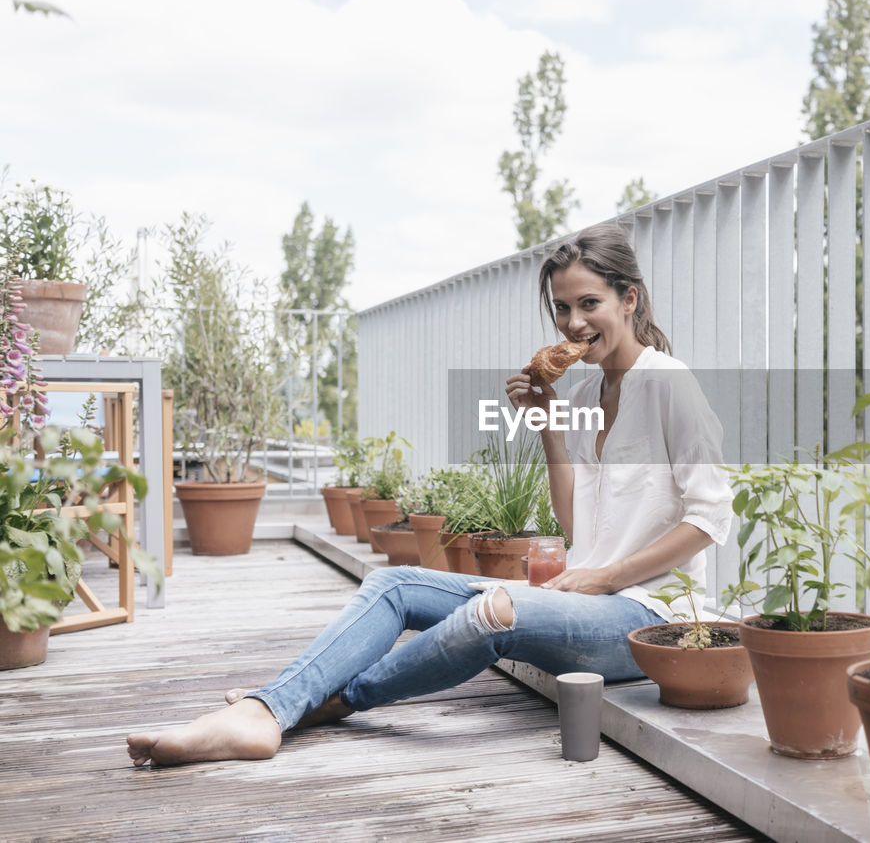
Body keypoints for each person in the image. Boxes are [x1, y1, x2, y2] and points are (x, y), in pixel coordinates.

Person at [126, 223, 732, 767]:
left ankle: (315, 704)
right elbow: (575, 529)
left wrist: (606, 578)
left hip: (646, 617)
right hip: (581, 598)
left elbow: (710, 519)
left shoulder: (669, 384)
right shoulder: (580, 398)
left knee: (494, 609)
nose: (574, 323)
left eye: (590, 303)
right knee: (395, 585)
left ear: (630, 299)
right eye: (561, 308)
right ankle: (274, 706)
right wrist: (546, 424)